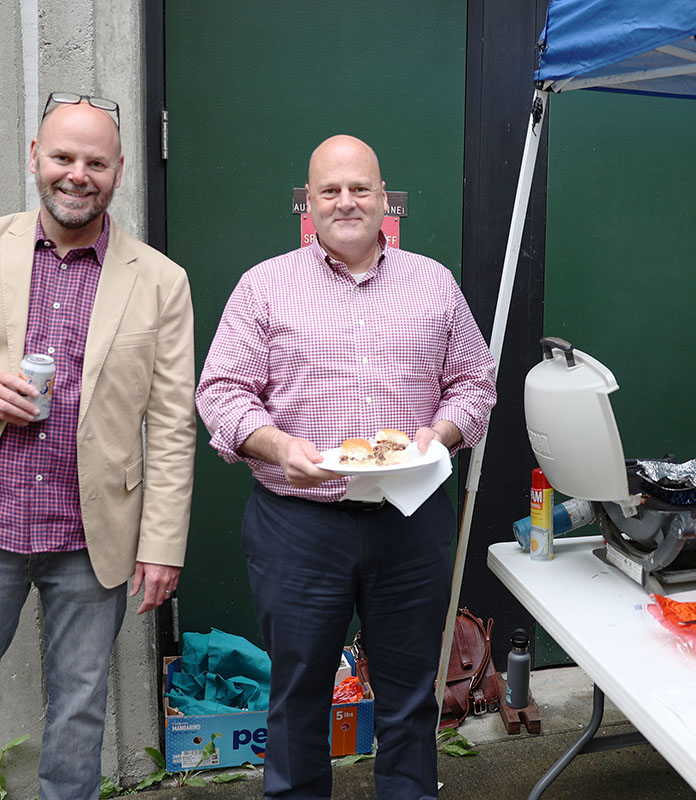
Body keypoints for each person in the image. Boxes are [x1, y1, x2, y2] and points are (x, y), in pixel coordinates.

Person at [0, 93, 196, 799]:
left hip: (90, 543)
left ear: (119, 170)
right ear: (35, 157)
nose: (77, 174)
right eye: (63, 157)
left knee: (80, 722)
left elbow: (174, 424)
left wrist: (162, 544)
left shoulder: (160, 281)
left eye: (95, 162)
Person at [196, 134, 496, 800]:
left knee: (411, 694)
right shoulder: (264, 287)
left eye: (360, 187)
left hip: (409, 520)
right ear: (308, 203)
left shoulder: (434, 285)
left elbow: (476, 381)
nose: (346, 201)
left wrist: (439, 435)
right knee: (298, 696)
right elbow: (220, 391)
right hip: (297, 526)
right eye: (329, 190)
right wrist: (276, 445)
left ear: (385, 198)